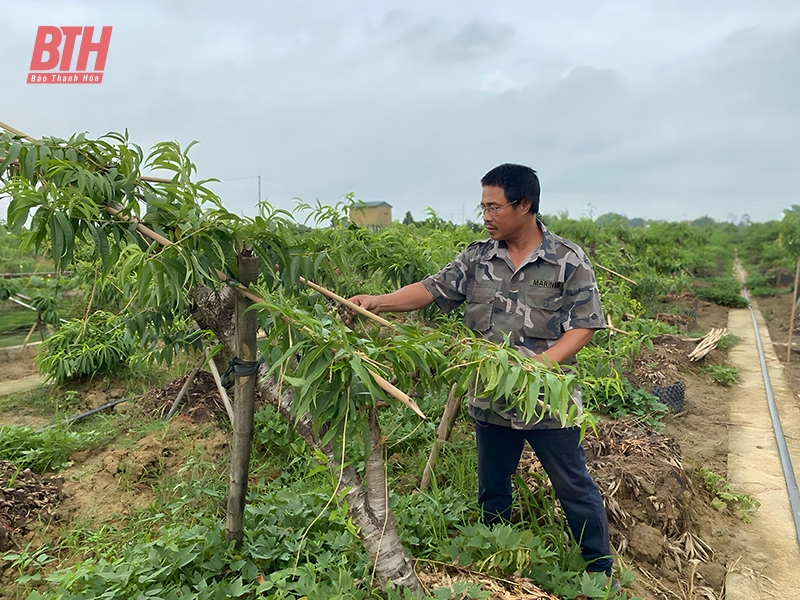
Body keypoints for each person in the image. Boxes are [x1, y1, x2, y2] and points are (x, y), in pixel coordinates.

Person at [348, 163, 615, 585]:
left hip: (548, 401)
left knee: (574, 489)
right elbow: (431, 289)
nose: (486, 216)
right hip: (491, 401)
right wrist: (378, 301)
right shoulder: (476, 258)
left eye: (495, 207)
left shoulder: (567, 260)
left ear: (524, 205)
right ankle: (496, 565)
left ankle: (600, 574)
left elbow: (584, 324)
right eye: (483, 207)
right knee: (493, 490)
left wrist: (537, 367)